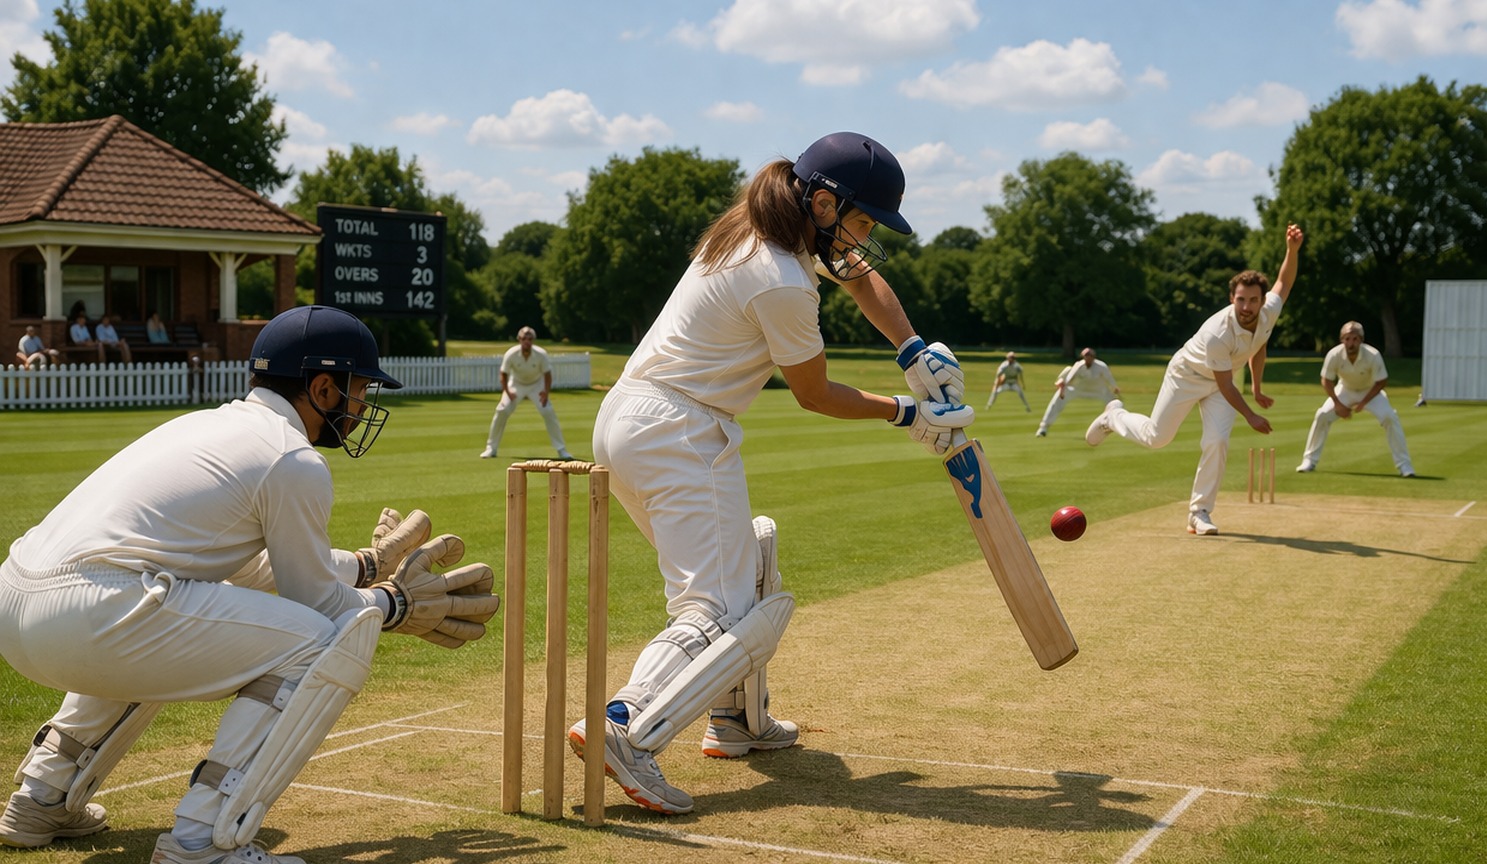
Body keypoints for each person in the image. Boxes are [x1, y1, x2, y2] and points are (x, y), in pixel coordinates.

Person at [0, 305, 498, 863]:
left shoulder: (205, 425)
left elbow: (249, 569)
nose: (362, 406)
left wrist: (367, 564)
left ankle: (41, 797)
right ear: (325, 387)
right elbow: (320, 607)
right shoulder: (292, 457)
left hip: (20, 605)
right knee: (317, 640)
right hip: (95, 612)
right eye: (359, 390)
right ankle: (203, 840)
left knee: (166, 603)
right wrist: (396, 604)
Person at [566, 131, 971, 815]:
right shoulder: (782, 280)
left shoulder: (752, 225)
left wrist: (911, 348)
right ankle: (626, 726)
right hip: (680, 430)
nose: (866, 238)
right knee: (716, 609)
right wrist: (907, 413)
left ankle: (738, 722)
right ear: (821, 202)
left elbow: (858, 274)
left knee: (748, 560)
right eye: (863, 220)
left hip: (636, 419)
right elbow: (814, 394)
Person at [1085, 223, 1305, 535]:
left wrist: (1291, 250)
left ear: (1262, 299)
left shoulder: (1269, 311)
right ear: (1232, 298)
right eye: (1240, 300)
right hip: (1188, 375)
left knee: (1216, 440)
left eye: (1253, 300)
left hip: (1223, 378)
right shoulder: (1219, 331)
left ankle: (1199, 512)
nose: (1246, 307)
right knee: (1156, 438)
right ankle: (1113, 417)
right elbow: (1226, 384)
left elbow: (1283, 286)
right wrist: (1251, 415)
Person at [1296, 321, 1415, 477]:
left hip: (1370, 391)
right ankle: (1309, 461)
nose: (1350, 343)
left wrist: (1364, 402)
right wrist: (1338, 405)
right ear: (1342, 340)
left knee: (1389, 417)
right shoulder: (1334, 354)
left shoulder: (1373, 355)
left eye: (1354, 339)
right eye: (1347, 339)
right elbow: (1326, 380)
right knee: (1322, 415)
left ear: (1361, 340)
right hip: (1345, 389)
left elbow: (1381, 381)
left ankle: (1405, 466)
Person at [478, 326, 574, 460]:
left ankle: (561, 450)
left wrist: (545, 393)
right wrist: (507, 392)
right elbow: (503, 374)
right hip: (516, 384)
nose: (526, 341)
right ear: (519, 339)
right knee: (502, 410)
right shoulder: (511, 353)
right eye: (524, 339)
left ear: (533, 340)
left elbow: (547, 375)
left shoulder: (541, 354)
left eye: (529, 339)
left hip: (536, 385)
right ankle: (491, 448)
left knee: (548, 412)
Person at [1035, 348, 1120, 437]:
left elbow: (1109, 378)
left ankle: (1119, 427)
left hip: (1099, 391)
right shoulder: (1078, 365)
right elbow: (1069, 378)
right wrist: (1062, 386)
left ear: (1094, 357)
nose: (1088, 358)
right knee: (1058, 397)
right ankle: (1043, 428)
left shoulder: (1101, 366)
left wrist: (1114, 387)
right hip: (1078, 390)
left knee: (1114, 403)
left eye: (1090, 356)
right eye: (1085, 356)